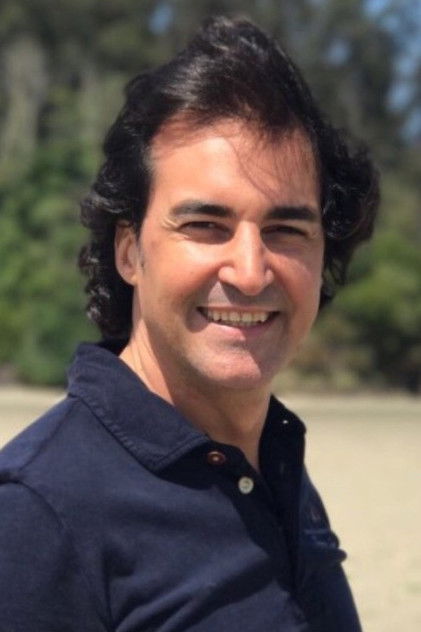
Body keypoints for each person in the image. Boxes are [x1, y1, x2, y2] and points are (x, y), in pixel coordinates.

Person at [0, 15, 379, 632]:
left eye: (286, 230)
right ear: (129, 251)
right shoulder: (38, 515)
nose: (251, 272)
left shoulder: (273, 461)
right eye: (205, 226)